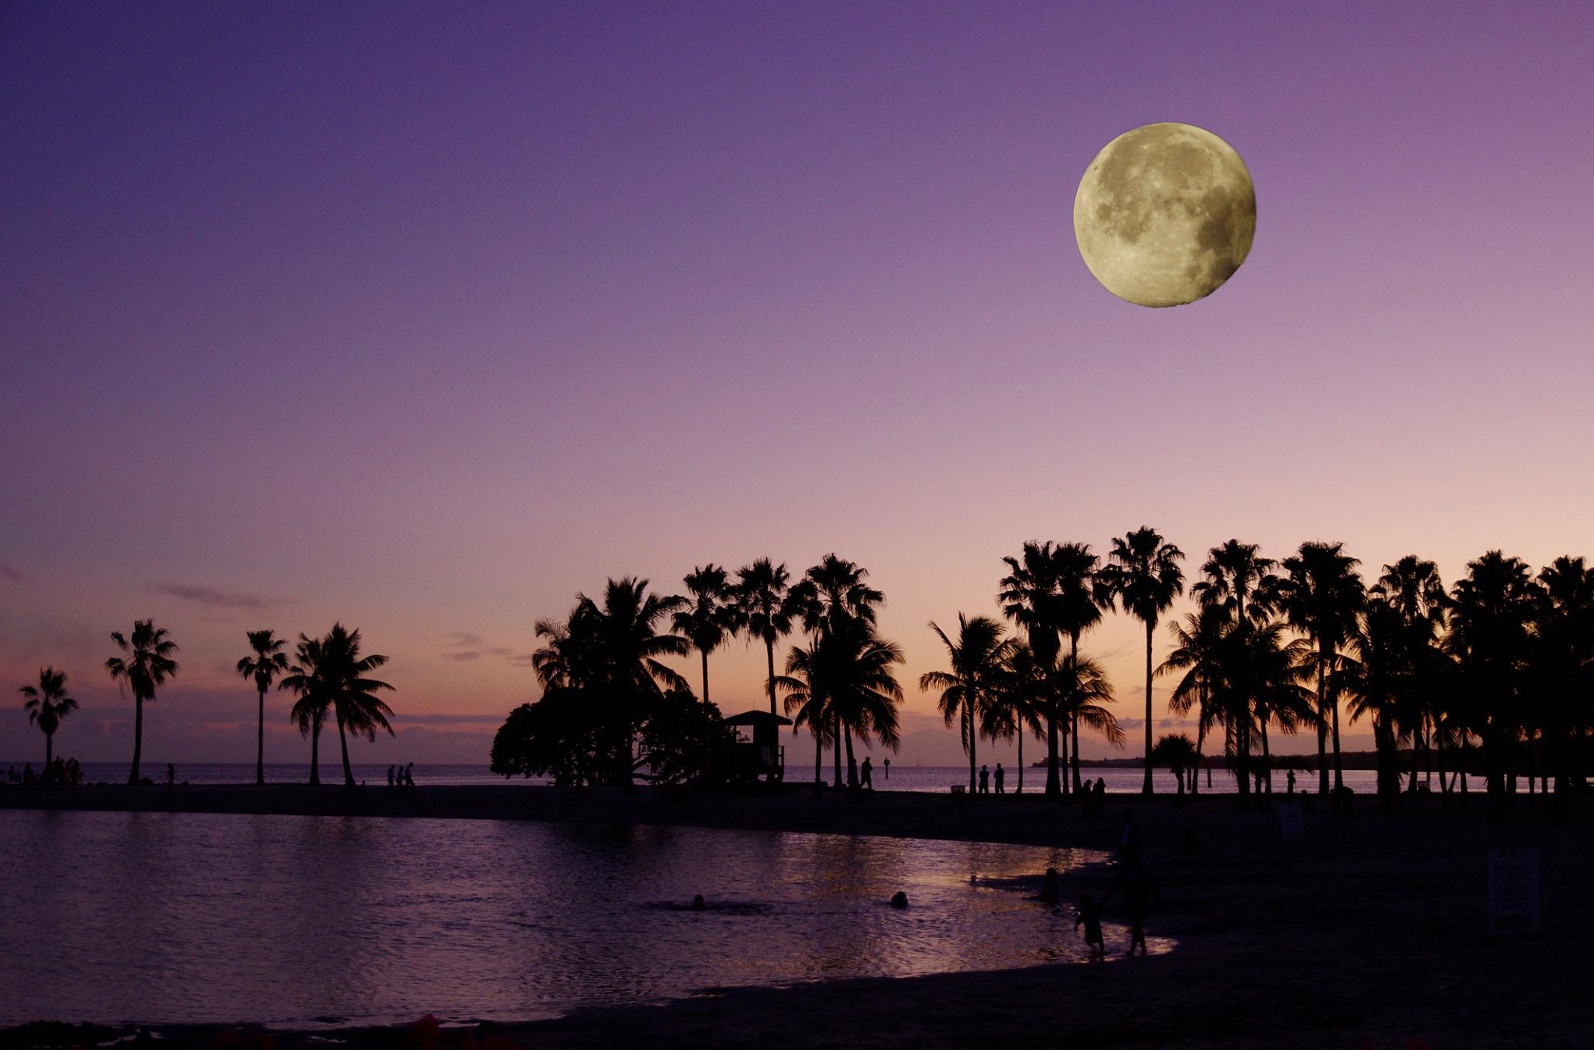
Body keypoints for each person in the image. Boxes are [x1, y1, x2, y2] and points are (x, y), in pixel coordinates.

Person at [1075, 893, 1105, 958]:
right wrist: (1076, 925)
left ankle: (1101, 951)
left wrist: (1076, 925)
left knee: (1099, 940)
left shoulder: (1092, 908)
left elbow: (1080, 918)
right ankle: (1096, 949)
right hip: (1090, 927)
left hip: (1095, 926)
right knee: (1089, 940)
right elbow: (1080, 918)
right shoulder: (1084, 909)